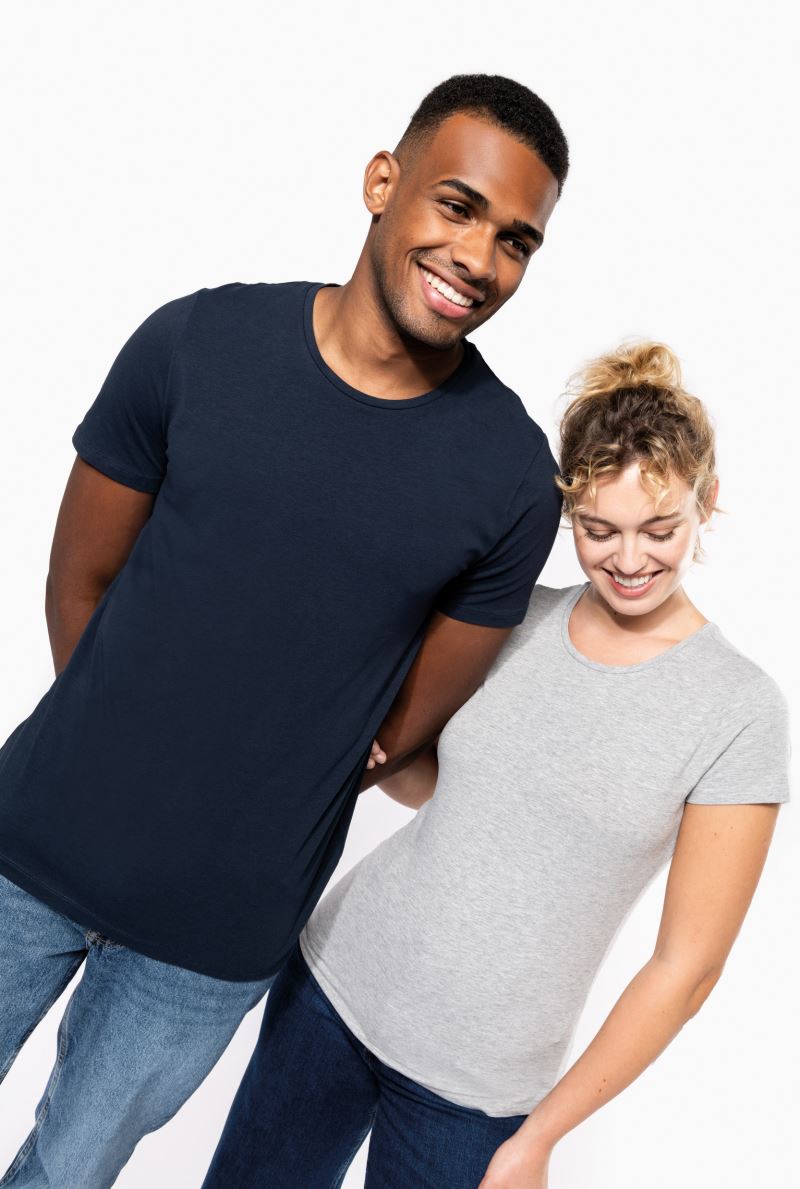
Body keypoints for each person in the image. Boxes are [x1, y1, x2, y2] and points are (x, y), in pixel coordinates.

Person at [0, 75, 568, 1185]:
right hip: (28, 850)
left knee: (68, 1172)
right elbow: (81, 581)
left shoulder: (509, 479)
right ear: (382, 181)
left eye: (515, 241)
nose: (477, 257)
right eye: (457, 206)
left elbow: (392, 733)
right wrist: (130, 752)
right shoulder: (197, 340)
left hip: (212, 939)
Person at [203, 341, 790, 1189]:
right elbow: (451, 795)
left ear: (708, 501)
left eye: (659, 530)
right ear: (569, 509)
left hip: (477, 1091)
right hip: (336, 985)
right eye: (599, 530)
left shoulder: (738, 709)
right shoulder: (514, 619)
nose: (629, 560)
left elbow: (686, 969)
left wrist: (540, 1136)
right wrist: (376, 744)